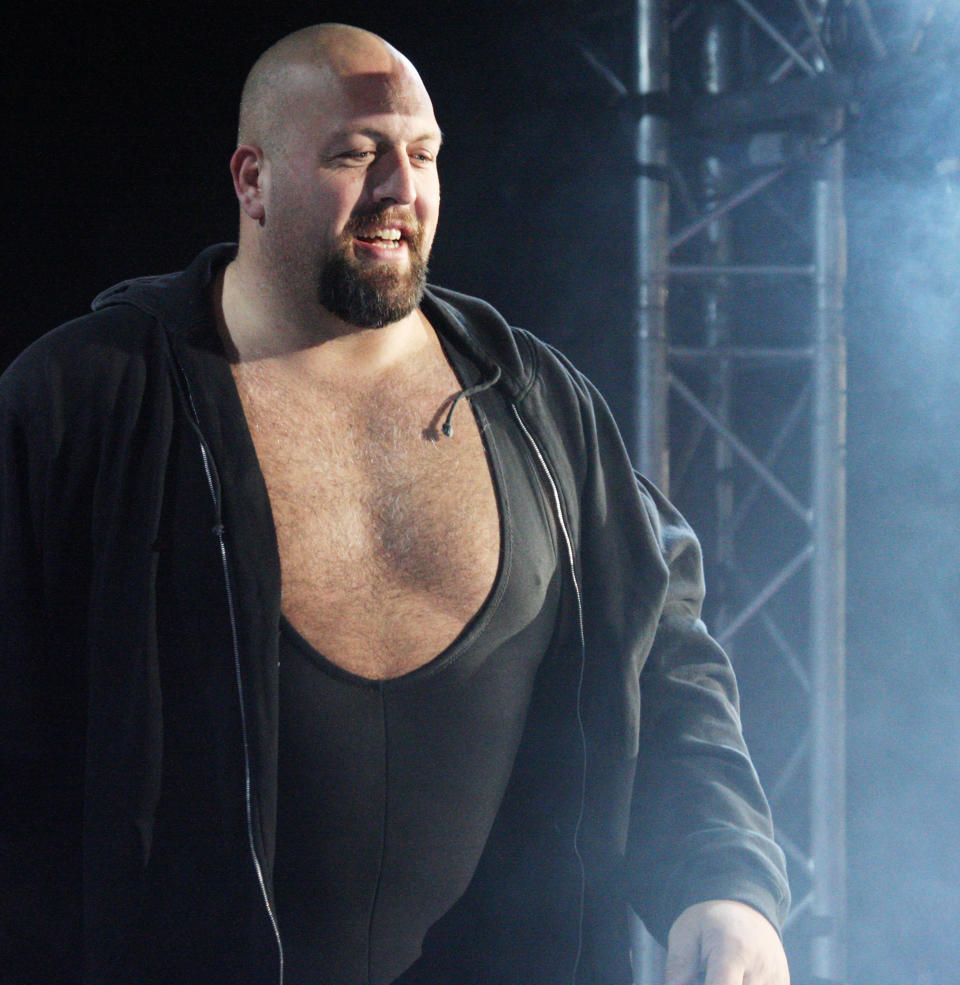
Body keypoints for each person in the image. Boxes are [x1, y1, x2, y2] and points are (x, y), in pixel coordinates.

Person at [0, 23, 790, 985]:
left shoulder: (538, 406)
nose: (398, 192)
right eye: (353, 154)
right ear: (252, 180)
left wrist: (723, 880)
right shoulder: (84, 406)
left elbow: (663, 659)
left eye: (422, 155)